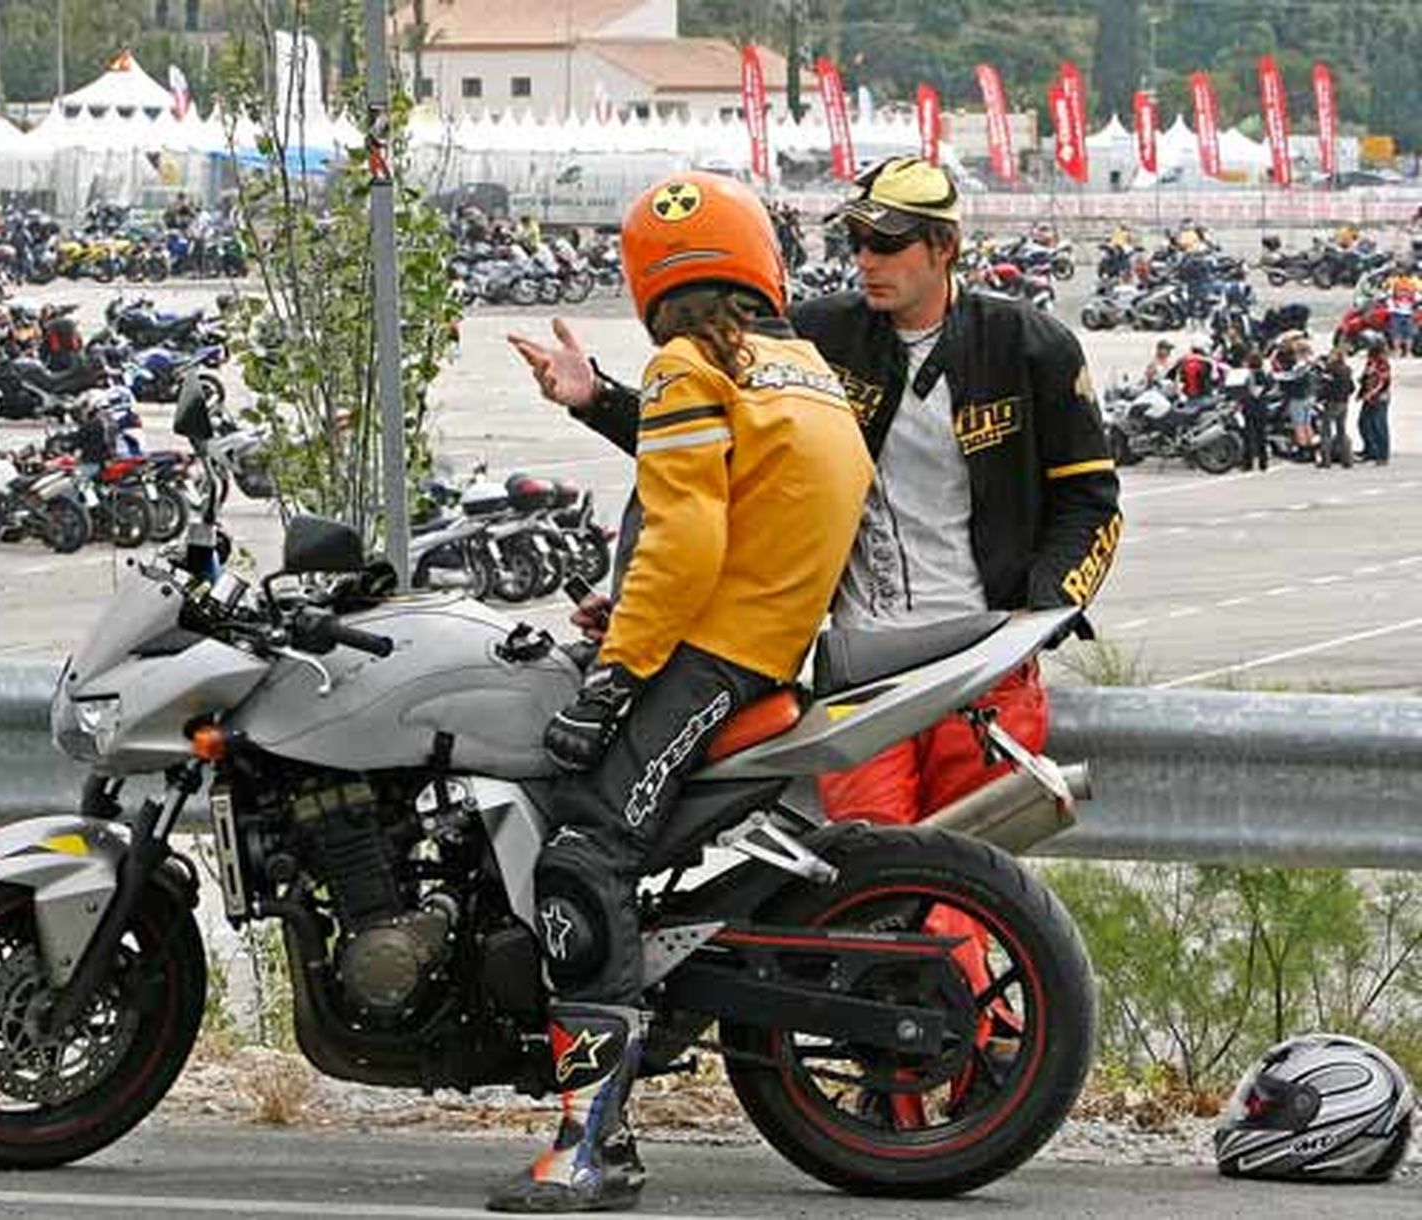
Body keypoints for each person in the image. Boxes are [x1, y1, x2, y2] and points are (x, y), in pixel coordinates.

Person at [509, 155, 1118, 950]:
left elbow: (1090, 499)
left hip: (983, 653)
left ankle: (988, 1055)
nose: (866, 258)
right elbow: (713, 447)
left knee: (966, 893)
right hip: (859, 660)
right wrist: (598, 401)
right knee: (872, 891)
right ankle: (900, 1070)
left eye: (888, 243)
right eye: (857, 239)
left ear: (944, 247)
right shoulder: (814, 336)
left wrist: (1038, 614)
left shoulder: (1029, 343)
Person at [489, 172, 872, 1214]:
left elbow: (689, 537)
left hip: (716, 654)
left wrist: (614, 678)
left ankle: (591, 1141)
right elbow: (739, 503)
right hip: (762, 639)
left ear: (647, 278)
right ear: (757, 261)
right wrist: (599, 401)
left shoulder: (683, 363)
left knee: (582, 851)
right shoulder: (795, 366)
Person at [1316, 346, 1354, 469]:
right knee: (1341, 431)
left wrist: (1320, 398)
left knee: (1325, 431)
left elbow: (1325, 386)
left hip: (1331, 402)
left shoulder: (1330, 370)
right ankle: (1347, 460)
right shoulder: (1347, 369)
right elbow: (1352, 387)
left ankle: (1326, 460)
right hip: (1344, 403)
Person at [1357, 336, 1392, 466]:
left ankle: (1382, 456)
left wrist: (1372, 393)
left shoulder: (1382, 362)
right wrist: (1361, 390)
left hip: (1379, 398)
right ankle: (1370, 450)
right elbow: (1366, 378)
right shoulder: (1371, 362)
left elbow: (1383, 382)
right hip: (1368, 397)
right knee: (1363, 423)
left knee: (1379, 426)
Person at [1238, 351, 1272, 473]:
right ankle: (1263, 462)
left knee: (1248, 436)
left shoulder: (1245, 375)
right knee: (1261, 435)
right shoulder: (1264, 374)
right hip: (1261, 407)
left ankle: (1248, 463)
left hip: (1248, 407)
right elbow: (1268, 386)